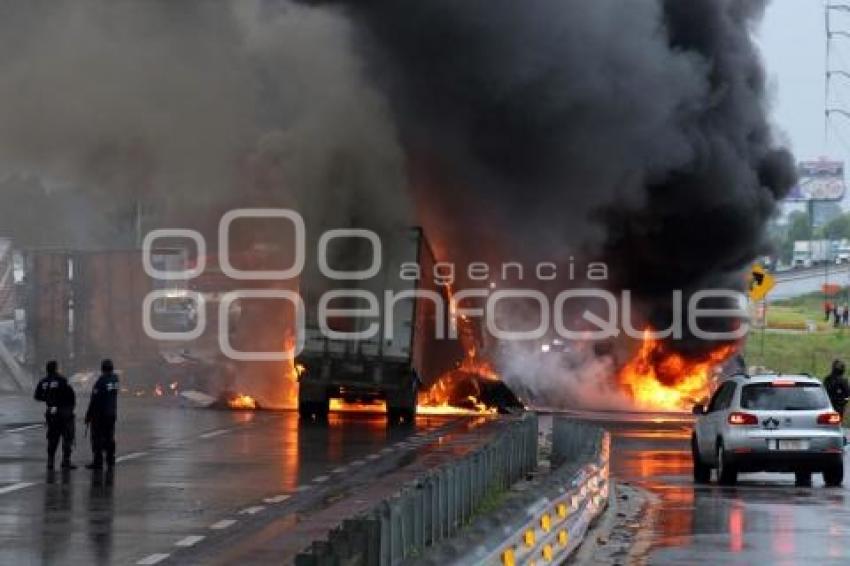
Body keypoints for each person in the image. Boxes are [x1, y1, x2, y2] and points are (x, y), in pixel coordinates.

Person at [33, 360, 77, 470]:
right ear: (56, 368)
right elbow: (71, 395)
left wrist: (48, 398)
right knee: (67, 437)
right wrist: (69, 408)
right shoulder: (62, 380)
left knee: (52, 438)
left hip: (51, 412)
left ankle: (50, 461)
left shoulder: (43, 382)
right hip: (64, 412)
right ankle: (66, 461)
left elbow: (37, 396)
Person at [85, 359, 119, 470]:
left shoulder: (101, 381)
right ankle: (110, 459)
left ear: (102, 368)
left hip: (100, 415)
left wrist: (88, 415)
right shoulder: (115, 379)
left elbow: (94, 400)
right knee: (109, 437)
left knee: (97, 438)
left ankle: (98, 461)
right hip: (112, 413)